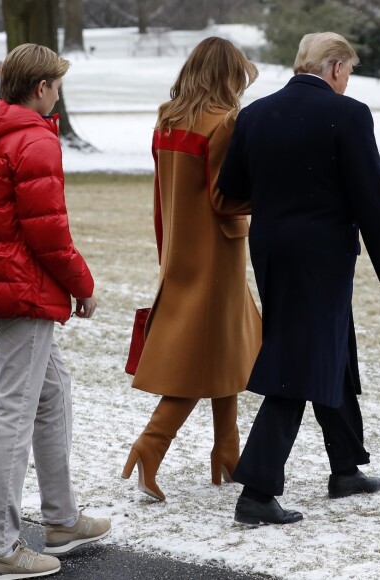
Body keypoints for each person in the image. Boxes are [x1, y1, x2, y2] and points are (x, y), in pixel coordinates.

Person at [0, 44, 111, 579]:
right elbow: (49, 233)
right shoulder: (35, 138)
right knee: (15, 413)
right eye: (56, 86)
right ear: (41, 88)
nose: (58, 95)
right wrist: (82, 285)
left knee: (52, 393)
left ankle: (60, 519)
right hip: (22, 291)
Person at [218, 32, 380, 526]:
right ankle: (257, 491)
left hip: (273, 250)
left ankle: (346, 467)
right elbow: (372, 196)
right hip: (321, 255)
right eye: (350, 72)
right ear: (337, 67)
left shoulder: (255, 114)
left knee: (331, 346)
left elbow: (233, 188)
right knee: (300, 356)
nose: (349, 81)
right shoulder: (348, 114)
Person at [121, 37, 262, 502]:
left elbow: (165, 193)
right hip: (216, 254)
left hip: (179, 248)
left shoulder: (167, 120)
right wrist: (269, 195)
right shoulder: (223, 123)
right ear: (227, 76)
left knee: (227, 349)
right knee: (200, 360)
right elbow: (224, 199)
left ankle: (228, 449)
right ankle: (151, 445)